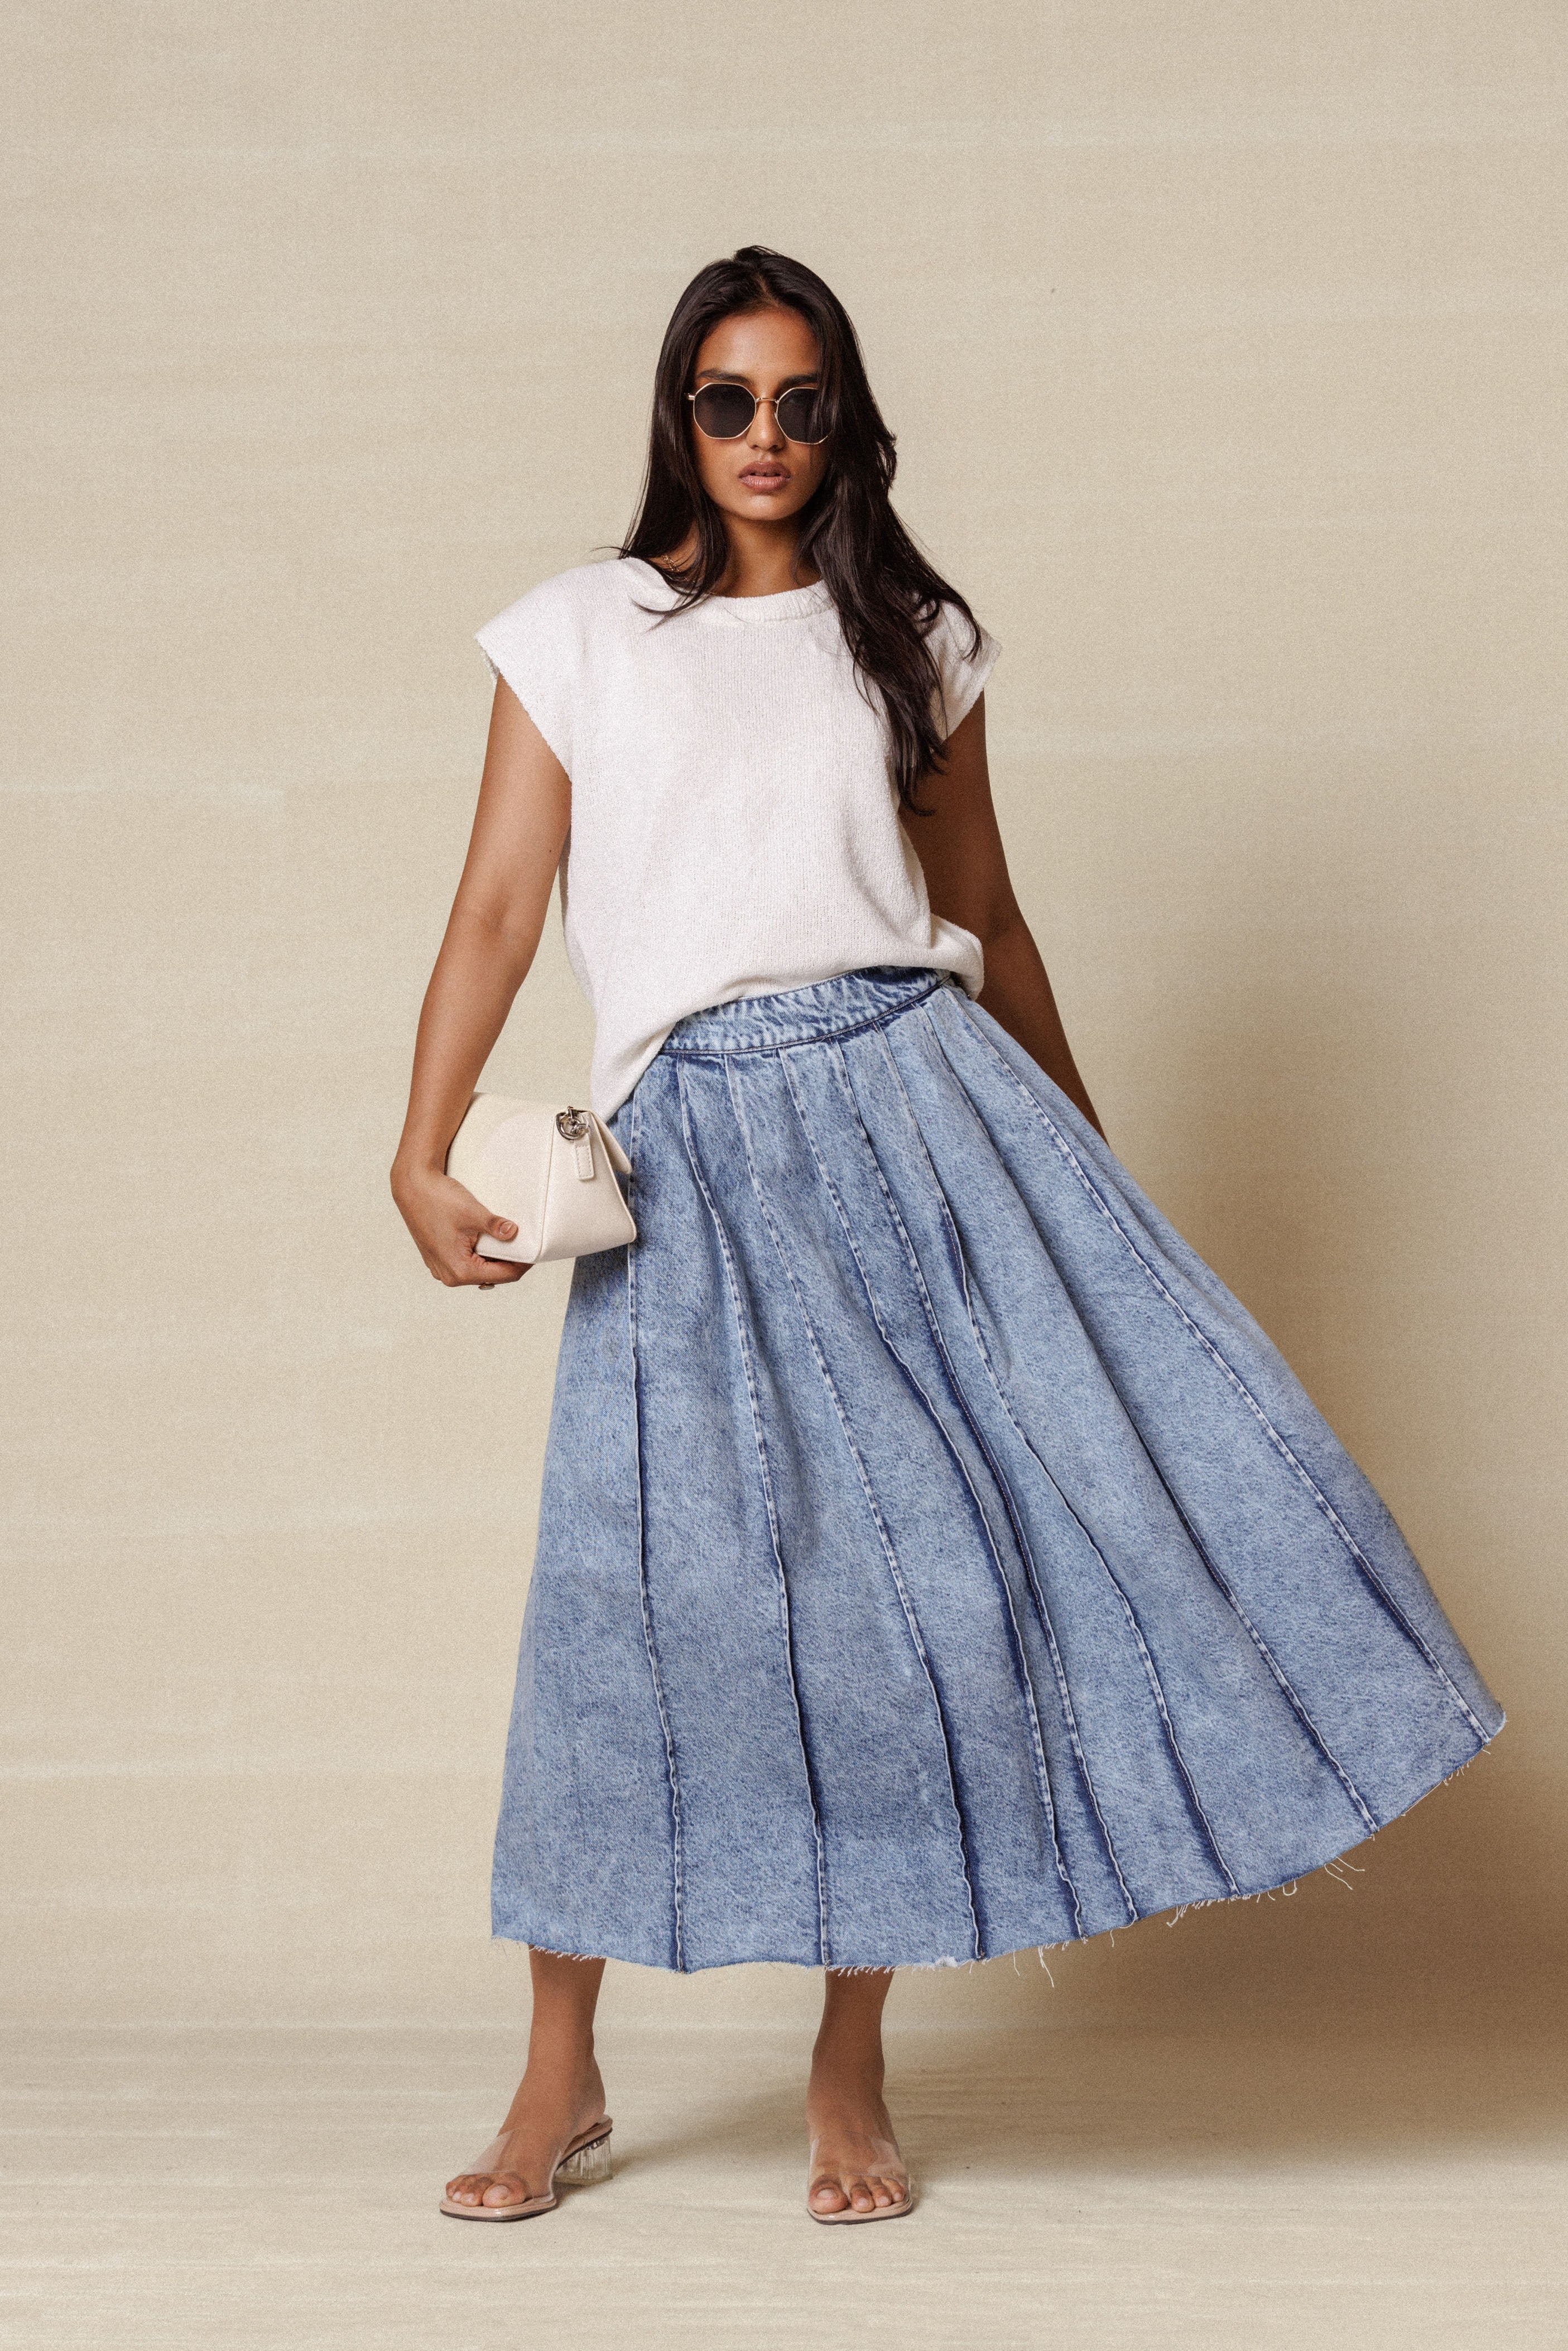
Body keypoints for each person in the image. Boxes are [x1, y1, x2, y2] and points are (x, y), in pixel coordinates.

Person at [391, 246, 1502, 2227]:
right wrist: (415, 1149)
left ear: (845, 422)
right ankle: (558, 2075)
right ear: (677, 415)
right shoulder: (577, 633)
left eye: (799, 401)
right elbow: (494, 908)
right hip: (697, 1156)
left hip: (924, 1117)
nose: (762, 436)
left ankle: (849, 2068)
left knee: (914, 1611)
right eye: (726, 400)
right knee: (627, 1612)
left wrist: (1087, 1163)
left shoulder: (911, 636)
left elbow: (985, 902)